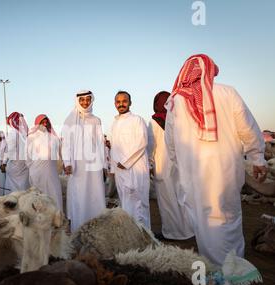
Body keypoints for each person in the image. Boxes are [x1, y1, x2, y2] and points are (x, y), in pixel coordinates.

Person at [165, 54, 267, 265]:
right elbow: (247, 128)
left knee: (204, 221)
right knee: (228, 216)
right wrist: (257, 157)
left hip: (194, 175)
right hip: (226, 171)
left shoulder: (175, 101)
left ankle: (216, 272)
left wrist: (181, 166)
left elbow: (171, 144)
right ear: (211, 70)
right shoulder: (228, 92)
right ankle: (234, 270)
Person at [148, 91, 194, 240]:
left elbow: (151, 146)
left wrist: (149, 164)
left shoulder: (154, 121)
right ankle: (187, 230)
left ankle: (172, 232)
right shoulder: (179, 119)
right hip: (179, 166)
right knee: (181, 199)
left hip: (162, 166)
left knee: (167, 201)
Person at [61, 90, 106, 232]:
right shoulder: (69, 120)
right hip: (77, 165)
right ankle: (78, 229)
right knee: (78, 195)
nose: (85, 102)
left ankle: (96, 229)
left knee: (95, 194)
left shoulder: (96, 120)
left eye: (88, 99)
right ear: (77, 101)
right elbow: (66, 144)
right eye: (82, 100)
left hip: (94, 165)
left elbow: (100, 143)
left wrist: (104, 164)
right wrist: (67, 163)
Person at [110, 91, 151, 229]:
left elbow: (142, 142)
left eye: (124, 101)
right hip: (120, 171)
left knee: (138, 204)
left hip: (135, 169)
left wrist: (126, 162)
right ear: (115, 104)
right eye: (118, 101)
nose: (121, 104)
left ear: (130, 103)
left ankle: (144, 236)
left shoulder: (137, 120)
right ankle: (130, 235)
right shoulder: (115, 123)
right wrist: (113, 168)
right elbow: (114, 147)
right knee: (125, 203)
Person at [27, 114, 63, 210]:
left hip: (51, 172)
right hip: (36, 172)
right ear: (37, 123)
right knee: (39, 196)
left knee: (54, 193)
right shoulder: (31, 137)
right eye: (42, 121)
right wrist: (32, 169)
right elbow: (27, 156)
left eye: (46, 121)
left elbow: (60, 154)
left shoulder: (54, 138)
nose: (44, 123)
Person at [2, 112, 30, 193]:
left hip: (15, 163)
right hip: (25, 163)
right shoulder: (25, 132)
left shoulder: (13, 133)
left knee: (13, 185)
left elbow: (9, 149)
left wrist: (4, 163)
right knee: (24, 184)